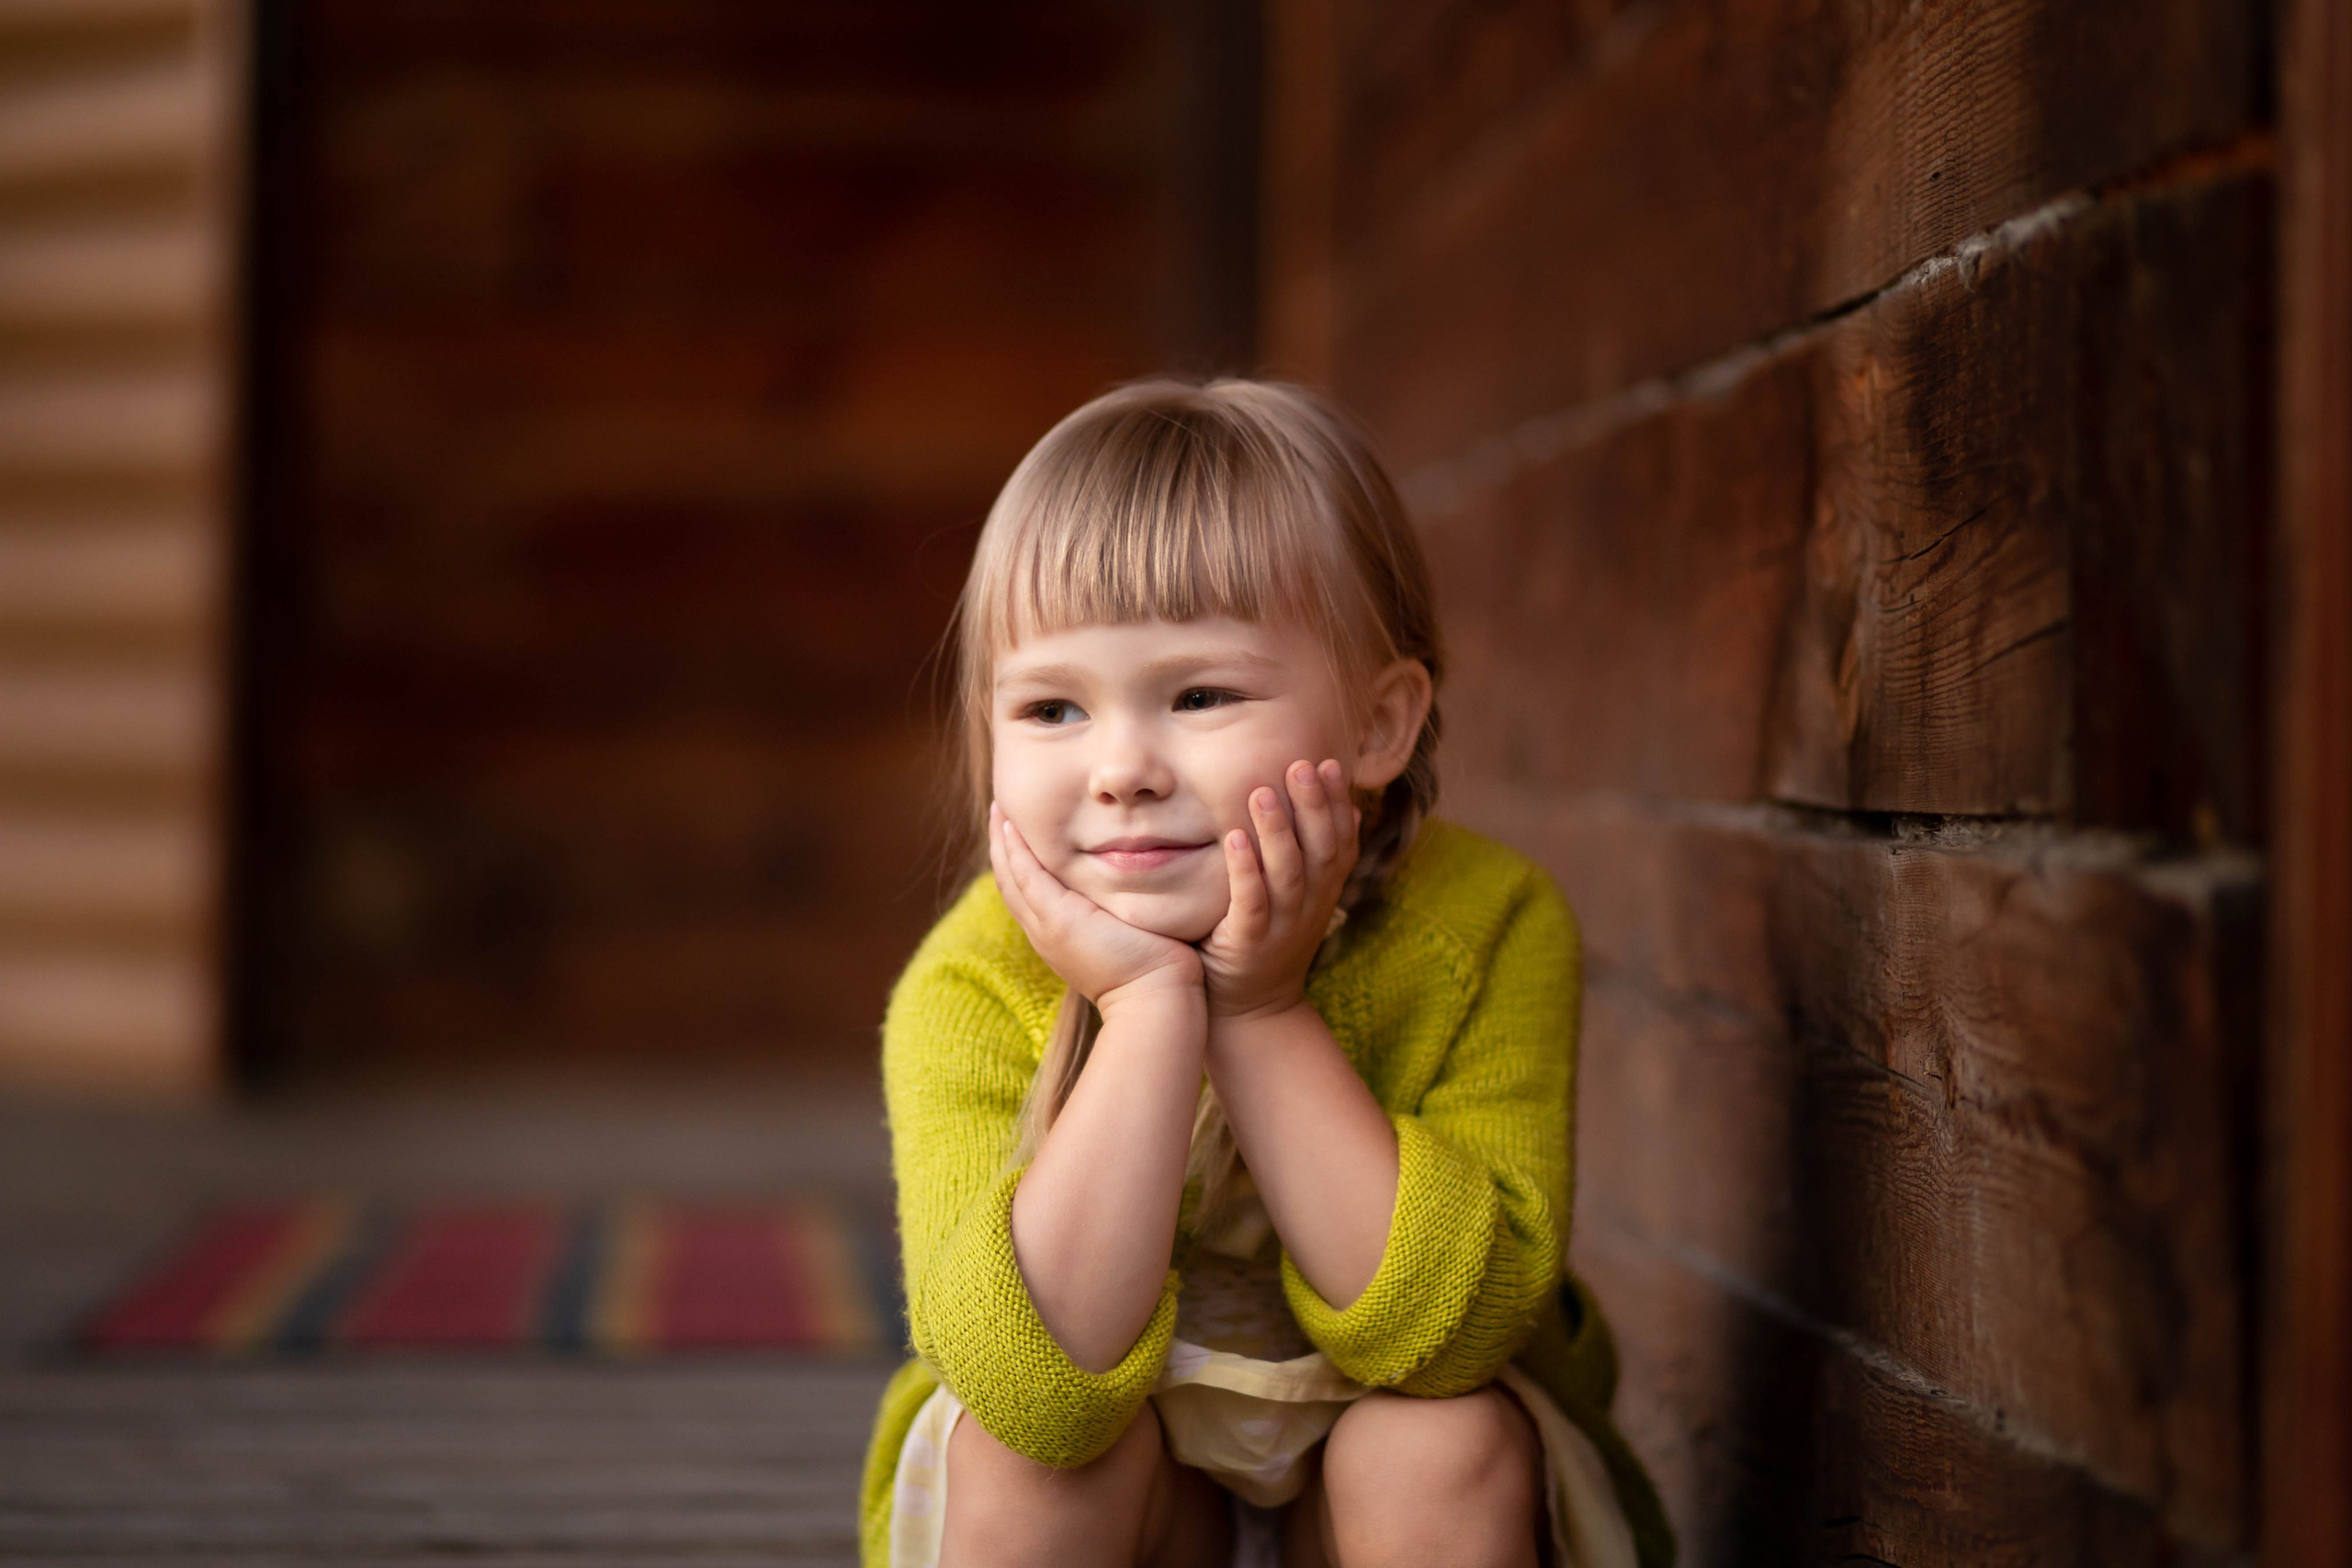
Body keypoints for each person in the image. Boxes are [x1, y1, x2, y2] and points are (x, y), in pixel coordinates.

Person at [859, 379, 1670, 1568]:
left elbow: (1454, 1339)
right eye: (1050, 708)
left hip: (1372, 1488)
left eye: (1199, 695)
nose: (1122, 767)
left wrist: (1260, 1006)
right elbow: (1037, 1388)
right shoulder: (970, 985)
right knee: (1031, 1466)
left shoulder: (1488, 924)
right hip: (1121, 1478)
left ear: (1379, 727)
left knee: (1441, 1447)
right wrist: (1143, 1009)